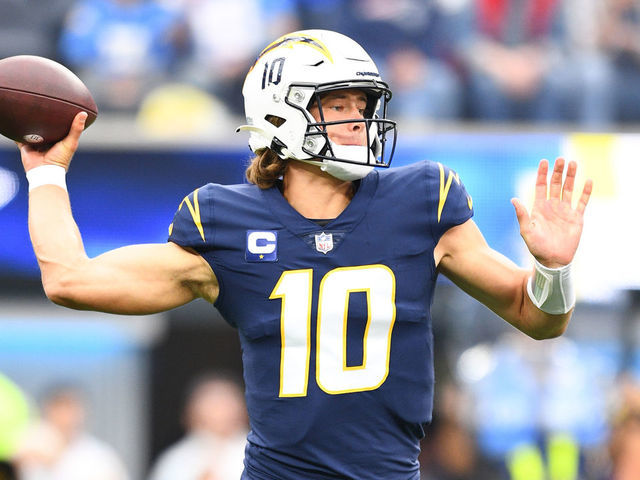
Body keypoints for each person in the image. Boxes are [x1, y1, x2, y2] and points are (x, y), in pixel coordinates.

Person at [16, 29, 592, 479]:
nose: (359, 119)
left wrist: (554, 268)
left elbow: (538, 319)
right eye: (336, 104)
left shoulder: (422, 200)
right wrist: (47, 175)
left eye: (362, 104)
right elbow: (71, 279)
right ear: (279, 114)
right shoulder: (223, 220)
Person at [13, 384, 129, 480]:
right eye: (59, 407)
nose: (66, 417)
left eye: (71, 408)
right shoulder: (24, 445)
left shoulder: (100, 457)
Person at [148, 373, 248, 480]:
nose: (218, 411)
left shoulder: (257, 452)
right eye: (212, 404)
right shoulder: (176, 458)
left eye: (225, 403)